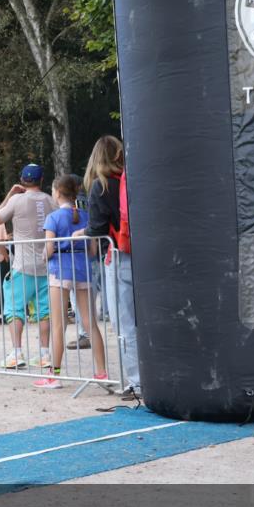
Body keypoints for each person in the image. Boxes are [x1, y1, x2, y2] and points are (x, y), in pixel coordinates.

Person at [34, 175, 108, 389]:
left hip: (59, 271)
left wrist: (43, 255)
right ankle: (102, 372)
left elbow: (49, 250)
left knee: (59, 324)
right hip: (83, 270)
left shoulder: (53, 218)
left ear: (57, 192)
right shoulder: (86, 216)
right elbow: (93, 250)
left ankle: (54, 375)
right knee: (90, 322)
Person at [82, 135, 140, 398]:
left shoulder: (101, 186)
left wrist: (81, 233)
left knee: (124, 322)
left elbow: (96, 229)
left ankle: (137, 382)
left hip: (117, 256)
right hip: (144, 256)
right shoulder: (132, 180)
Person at [0, 164, 57, 369]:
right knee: (44, 311)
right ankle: (45, 353)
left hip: (22, 264)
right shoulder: (50, 200)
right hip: (46, 264)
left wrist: (9, 194)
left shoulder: (16, 199)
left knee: (14, 308)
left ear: (22, 179)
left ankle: (17, 352)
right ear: (41, 180)